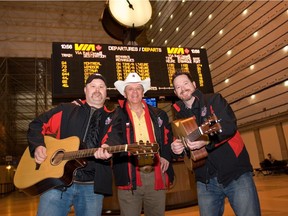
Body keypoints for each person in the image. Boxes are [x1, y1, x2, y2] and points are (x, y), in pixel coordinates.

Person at [27, 73, 123, 216]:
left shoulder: (114, 117)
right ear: (85, 90)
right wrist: (38, 145)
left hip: (92, 187)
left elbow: (116, 137)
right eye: (93, 86)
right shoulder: (66, 109)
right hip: (57, 182)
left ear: (106, 92)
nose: (97, 90)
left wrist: (107, 148)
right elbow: (37, 124)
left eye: (101, 87)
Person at [170, 70, 261, 216]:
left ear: (194, 84)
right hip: (204, 181)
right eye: (178, 87)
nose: (183, 88)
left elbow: (229, 126)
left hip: (235, 174)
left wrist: (205, 141)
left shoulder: (213, 100)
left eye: (185, 83)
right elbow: (186, 147)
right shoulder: (179, 116)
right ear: (175, 92)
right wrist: (178, 147)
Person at [112, 72, 174, 216]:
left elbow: (167, 138)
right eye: (130, 89)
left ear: (143, 92)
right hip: (129, 176)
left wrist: (165, 156)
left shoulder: (159, 114)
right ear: (125, 93)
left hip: (156, 175)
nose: (134, 92)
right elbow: (111, 138)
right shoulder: (116, 116)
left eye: (138, 88)